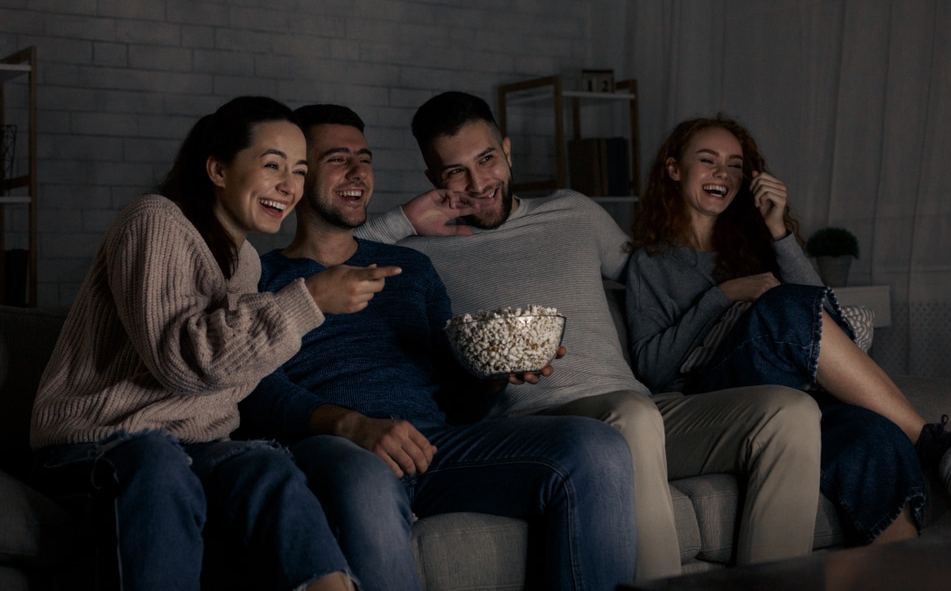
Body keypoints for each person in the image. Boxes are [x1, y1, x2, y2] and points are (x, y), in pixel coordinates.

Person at [358, 91, 825, 577]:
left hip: (641, 404)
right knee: (632, 414)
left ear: (508, 152)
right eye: (456, 171)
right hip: (540, 423)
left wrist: (777, 239)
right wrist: (407, 220)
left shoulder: (574, 212)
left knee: (789, 412)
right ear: (434, 179)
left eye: (487, 159)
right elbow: (321, 259)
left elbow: (667, 274)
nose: (479, 183)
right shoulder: (421, 252)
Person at [238, 103, 637, 591]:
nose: (358, 171)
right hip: (338, 447)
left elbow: (457, 400)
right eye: (337, 159)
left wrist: (491, 373)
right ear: (298, 177)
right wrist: (352, 425)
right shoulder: (260, 277)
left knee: (597, 447)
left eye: (364, 158)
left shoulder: (412, 269)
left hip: (434, 444)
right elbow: (251, 387)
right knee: (363, 482)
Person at [29, 96, 384, 591]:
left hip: (192, 447)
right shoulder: (154, 220)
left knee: (266, 466)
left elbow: (229, 376)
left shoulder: (246, 264)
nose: (289, 186)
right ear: (218, 169)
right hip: (100, 444)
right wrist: (308, 301)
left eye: (300, 171)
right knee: (157, 462)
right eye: (272, 165)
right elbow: (179, 361)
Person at [626, 114, 951, 545]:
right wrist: (725, 294)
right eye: (707, 160)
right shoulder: (650, 263)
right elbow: (653, 367)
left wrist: (778, 230)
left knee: (876, 437)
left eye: (735, 165)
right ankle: (932, 442)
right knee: (779, 304)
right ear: (674, 170)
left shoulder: (754, 245)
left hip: (793, 393)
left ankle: (900, 574)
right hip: (716, 391)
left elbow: (824, 320)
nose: (722, 173)